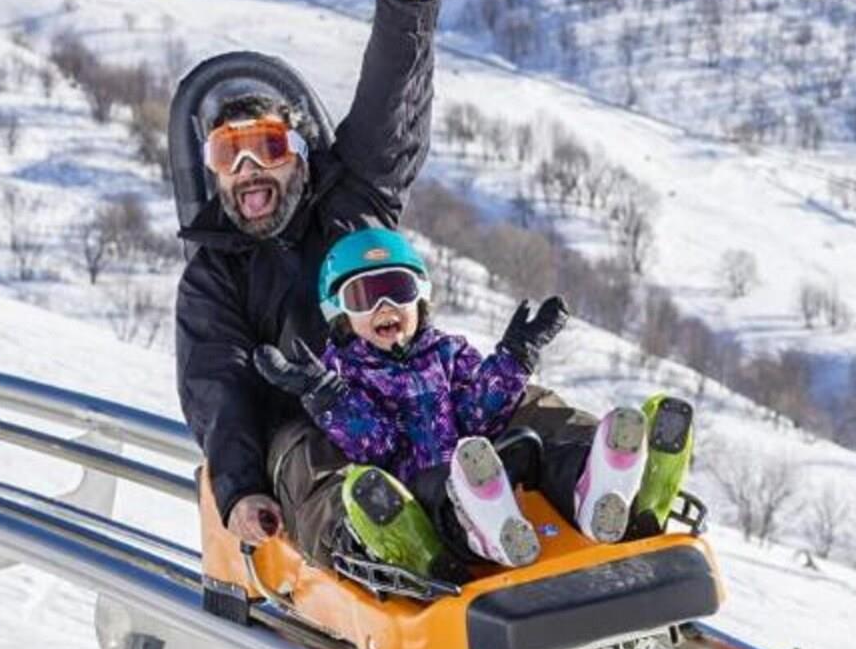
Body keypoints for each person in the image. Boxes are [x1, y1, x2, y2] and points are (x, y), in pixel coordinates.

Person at [176, 0, 446, 547]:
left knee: (515, 405)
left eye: (266, 147)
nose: (247, 169)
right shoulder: (216, 276)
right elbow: (219, 387)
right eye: (228, 155)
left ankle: (597, 473)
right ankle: (378, 547)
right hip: (309, 430)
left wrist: (407, 4)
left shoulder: (355, 197)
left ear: (299, 154)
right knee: (314, 463)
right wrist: (240, 487)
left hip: (410, 394)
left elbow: (389, 109)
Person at [252, 228, 684, 579]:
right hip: (421, 491)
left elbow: (481, 412)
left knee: (542, 454)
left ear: (420, 297)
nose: (386, 306)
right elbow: (378, 446)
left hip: (483, 466)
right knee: (448, 495)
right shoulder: (344, 374)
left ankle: (594, 490)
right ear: (340, 313)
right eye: (364, 297)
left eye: (398, 289)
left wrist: (516, 356)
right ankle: (488, 533)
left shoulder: (447, 351)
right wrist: (329, 395)